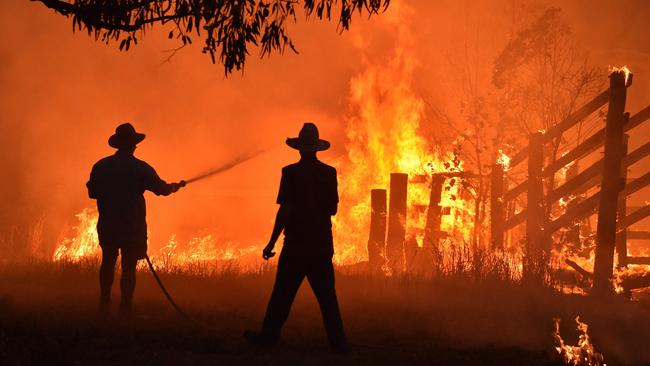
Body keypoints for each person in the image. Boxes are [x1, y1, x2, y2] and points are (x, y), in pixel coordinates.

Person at [244, 122, 348, 353]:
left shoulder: (290, 173)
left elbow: (285, 210)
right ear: (316, 149)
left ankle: (268, 337)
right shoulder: (329, 173)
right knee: (327, 298)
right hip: (321, 246)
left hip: (295, 246)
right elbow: (333, 209)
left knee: (282, 295)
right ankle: (339, 344)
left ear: (299, 149)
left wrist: (271, 242)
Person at [86, 123, 185, 316]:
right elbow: (161, 190)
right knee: (129, 267)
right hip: (132, 226)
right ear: (133, 145)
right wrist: (174, 186)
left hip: (108, 224)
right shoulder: (140, 168)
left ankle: (104, 303)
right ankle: (125, 307)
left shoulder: (101, 166)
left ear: (117, 145)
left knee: (107, 262)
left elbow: (92, 193)